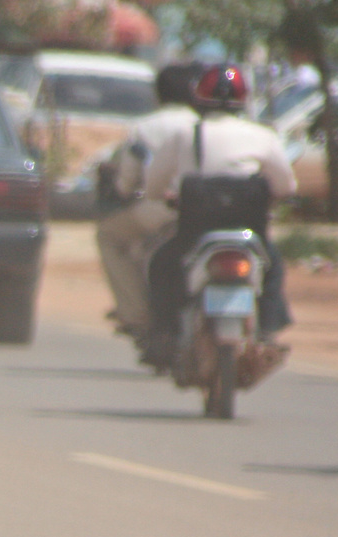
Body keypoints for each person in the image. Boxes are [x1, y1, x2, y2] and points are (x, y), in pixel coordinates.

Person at [142, 63, 298, 364]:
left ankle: (165, 335)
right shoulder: (262, 135)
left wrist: (164, 195)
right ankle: (268, 330)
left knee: (161, 266)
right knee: (274, 267)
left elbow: (153, 185)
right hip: (250, 233)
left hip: (196, 232)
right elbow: (286, 185)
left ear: (199, 96)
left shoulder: (184, 134)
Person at [96, 61, 201, 340]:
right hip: (207, 212)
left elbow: (127, 181)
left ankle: (135, 313)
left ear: (159, 93)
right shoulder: (204, 125)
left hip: (159, 209)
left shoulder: (145, 126)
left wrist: (121, 188)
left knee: (108, 236)